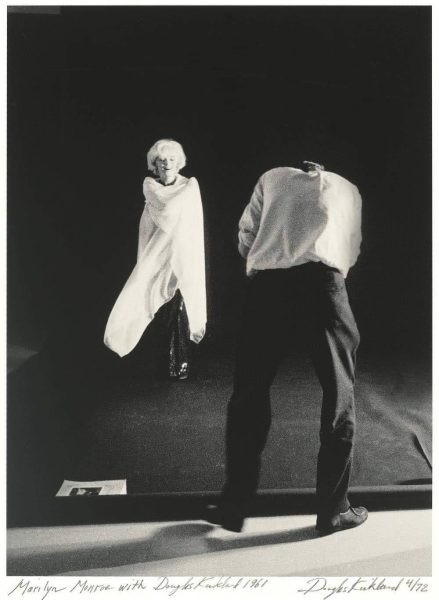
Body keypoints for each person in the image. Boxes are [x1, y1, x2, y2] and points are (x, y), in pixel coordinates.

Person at [206, 160, 367, 534]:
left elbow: (247, 235)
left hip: (270, 289)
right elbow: (351, 248)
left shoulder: (272, 177)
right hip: (323, 287)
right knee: (339, 396)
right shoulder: (348, 188)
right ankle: (333, 509)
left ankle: (234, 504)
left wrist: (275, 255)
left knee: (249, 393)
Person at [104, 139, 206, 380]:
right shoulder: (149, 186)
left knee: (178, 305)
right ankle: (161, 363)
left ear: (179, 163)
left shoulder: (190, 187)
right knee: (154, 304)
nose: (167, 164)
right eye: (161, 160)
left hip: (181, 256)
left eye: (171, 160)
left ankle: (178, 364)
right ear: (154, 165)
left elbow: (184, 221)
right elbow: (161, 217)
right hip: (155, 255)